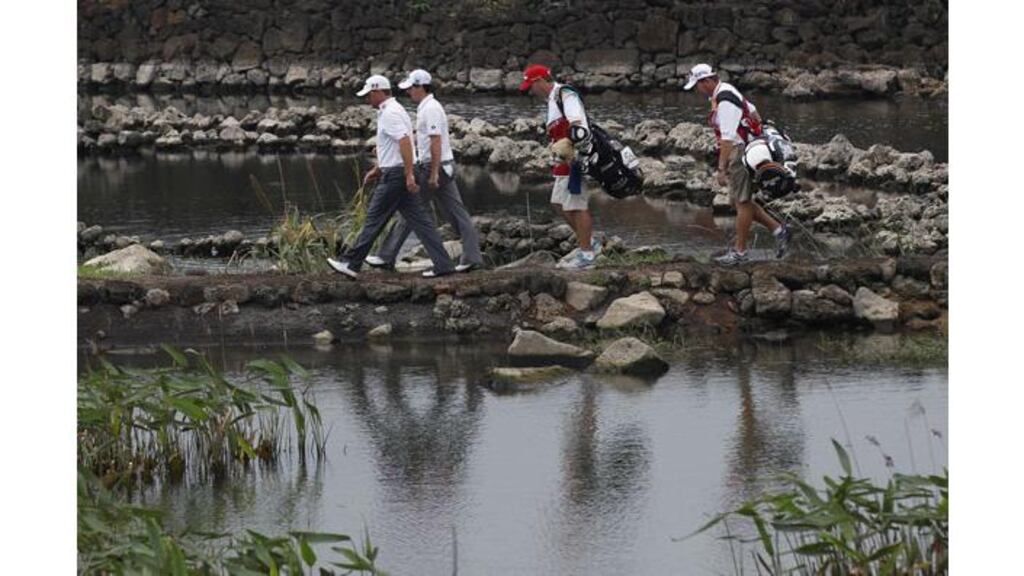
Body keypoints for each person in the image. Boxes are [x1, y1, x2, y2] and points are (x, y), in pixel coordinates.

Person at [327, 74, 455, 279]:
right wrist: (379, 169)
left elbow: (404, 142)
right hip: (397, 172)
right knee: (421, 222)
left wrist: (408, 175)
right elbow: (396, 146)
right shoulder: (394, 110)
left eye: (369, 94)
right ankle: (444, 264)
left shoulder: (390, 113)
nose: (367, 98)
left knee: (373, 219)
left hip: (395, 176)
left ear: (378, 91)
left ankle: (351, 263)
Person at [365, 69, 483, 273]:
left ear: (420, 87)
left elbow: (435, 141)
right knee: (457, 213)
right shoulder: (427, 107)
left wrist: (434, 172)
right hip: (444, 164)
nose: (408, 92)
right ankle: (471, 258)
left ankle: (386, 256)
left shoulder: (430, 109)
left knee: (411, 209)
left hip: (434, 166)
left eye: (411, 88)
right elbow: (422, 136)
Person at [683, 63, 790, 264]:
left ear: (706, 81)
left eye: (697, 85)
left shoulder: (725, 101)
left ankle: (740, 252)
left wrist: (721, 168)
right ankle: (779, 230)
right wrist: (755, 134)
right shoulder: (726, 90)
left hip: (741, 153)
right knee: (738, 201)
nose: (697, 90)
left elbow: (727, 138)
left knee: (741, 203)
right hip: (747, 149)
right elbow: (753, 111)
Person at [519, 64, 601, 270]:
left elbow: (576, 122)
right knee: (558, 203)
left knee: (576, 205)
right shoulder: (552, 100)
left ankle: (587, 255)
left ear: (539, 81)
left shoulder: (565, 94)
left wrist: (575, 153)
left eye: (531, 86)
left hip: (574, 159)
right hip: (563, 159)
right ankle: (588, 243)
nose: (530, 92)